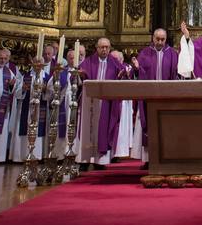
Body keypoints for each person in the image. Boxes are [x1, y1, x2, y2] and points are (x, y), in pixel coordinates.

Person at [131, 28, 179, 162]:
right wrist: (136, 68)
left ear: (166, 39)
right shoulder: (145, 53)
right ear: (153, 38)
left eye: (162, 39)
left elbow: (176, 74)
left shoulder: (172, 54)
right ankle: (147, 159)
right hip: (148, 97)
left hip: (166, 97)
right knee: (147, 126)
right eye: (157, 39)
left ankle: (168, 157)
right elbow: (138, 73)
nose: (160, 42)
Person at [77, 38, 125, 167]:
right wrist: (81, 75)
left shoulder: (114, 63)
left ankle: (100, 161)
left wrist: (122, 75)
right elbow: (80, 75)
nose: (104, 50)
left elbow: (124, 74)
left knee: (103, 129)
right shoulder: (88, 62)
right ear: (96, 48)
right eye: (102, 47)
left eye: (107, 47)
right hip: (90, 102)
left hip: (106, 104)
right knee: (88, 129)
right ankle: (84, 161)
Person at [46, 45, 85, 159]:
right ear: (67, 59)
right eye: (71, 58)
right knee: (61, 129)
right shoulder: (61, 71)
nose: (73, 60)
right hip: (63, 103)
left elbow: (84, 87)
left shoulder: (81, 72)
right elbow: (50, 87)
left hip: (76, 104)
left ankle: (74, 153)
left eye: (75, 58)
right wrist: (56, 79)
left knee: (74, 128)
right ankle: (60, 154)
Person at [9, 60, 49, 163]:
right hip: (26, 108)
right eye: (36, 64)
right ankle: (22, 155)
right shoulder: (26, 76)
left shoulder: (47, 77)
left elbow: (50, 95)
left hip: (40, 109)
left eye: (40, 64)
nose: (38, 66)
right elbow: (17, 93)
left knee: (39, 131)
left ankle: (37, 155)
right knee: (24, 128)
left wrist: (45, 90)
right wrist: (22, 89)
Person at [109, 50, 135, 160]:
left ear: (122, 59)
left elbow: (131, 77)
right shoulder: (107, 67)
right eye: (112, 59)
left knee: (122, 128)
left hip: (123, 102)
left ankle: (119, 152)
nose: (114, 62)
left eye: (116, 59)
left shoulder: (127, 68)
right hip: (110, 101)